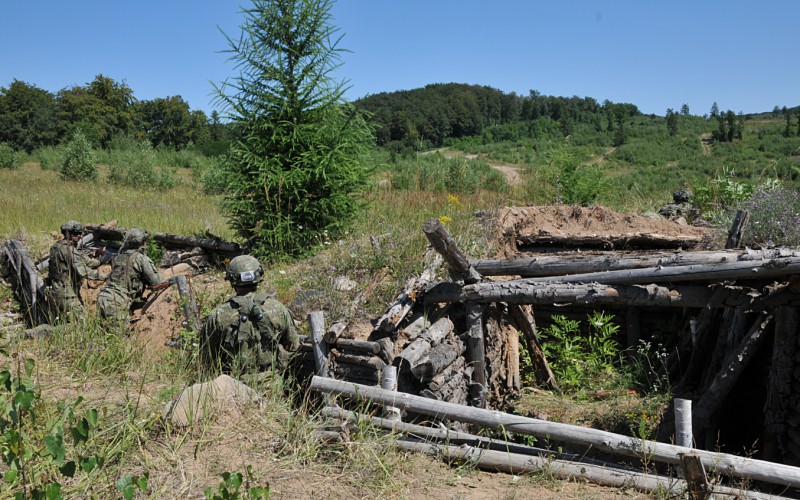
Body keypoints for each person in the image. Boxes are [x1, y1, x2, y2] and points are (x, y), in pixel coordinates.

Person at [200, 254, 299, 375]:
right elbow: (293, 346)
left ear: (231, 278)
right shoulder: (278, 308)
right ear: (259, 275)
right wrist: (278, 370)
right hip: (271, 384)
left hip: (231, 386)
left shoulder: (218, 315)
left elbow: (206, 358)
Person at [97, 227, 165, 326]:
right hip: (117, 302)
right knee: (120, 338)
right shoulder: (141, 259)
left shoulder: (119, 257)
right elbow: (158, 282)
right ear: (142, 242)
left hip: (103, 297)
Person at [44, 220, 104, 323]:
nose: (79, 236)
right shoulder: (68, 249)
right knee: (83, 322)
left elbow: (86, 261)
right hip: (66, 293)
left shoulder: (56, 246)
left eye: (81, 233)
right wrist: (102, 276)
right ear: (67, 233)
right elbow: (83, 271)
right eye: (76, 233)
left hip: (54, 291)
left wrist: (102, 259)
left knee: (58, 323)